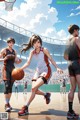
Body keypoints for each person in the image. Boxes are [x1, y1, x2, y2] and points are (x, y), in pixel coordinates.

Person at [18, 34, 63, 116]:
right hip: (38, 71)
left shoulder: (44, 50)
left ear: (40, 42)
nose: (37, 44)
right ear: (32, 44)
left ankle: (25, 107)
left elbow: (51, 59)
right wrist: (20, 69)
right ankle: (46, 94)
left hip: (46, 70)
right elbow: (28, 63)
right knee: (33, 89)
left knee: (34, 88)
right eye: (34, 43)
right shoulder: (32, 52)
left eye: (38, 42)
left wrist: (57, 67)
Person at [0, 37, 22, 112]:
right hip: (6, 69)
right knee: (6, 86)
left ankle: (8, 103)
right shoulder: (4, 50)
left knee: (10, 87)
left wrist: (19, 61)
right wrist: (4, 58)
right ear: (7, 43)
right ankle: (6, 104)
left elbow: (16, 61)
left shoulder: (14, 51)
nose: (11, 44)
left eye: (12, 43)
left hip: (13, 69)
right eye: (10, 42)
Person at [64, 24, 80, 119]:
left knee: (72, 89)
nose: (78, 32)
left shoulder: (68, 42)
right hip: (78, 63)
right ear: (75, 30)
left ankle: (70, 112)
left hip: (70, 64)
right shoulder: (77, 38)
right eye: (78, 30)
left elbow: (65, 57)